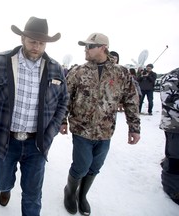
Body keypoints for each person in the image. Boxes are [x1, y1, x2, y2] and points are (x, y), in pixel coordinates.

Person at [0, 16, 69, 216]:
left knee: (33, 195)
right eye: (33, 41)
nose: (37, 47)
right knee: (2, 181)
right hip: (3, 140)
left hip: (37, 144)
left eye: (41, 43)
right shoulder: (0, 61)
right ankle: (5, 189)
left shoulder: (56, 68)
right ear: (22, 38)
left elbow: (63, 101)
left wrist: (50, 132)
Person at [60, 33, 141, 215]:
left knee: (95, 167)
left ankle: (82, 195)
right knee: (81, 166)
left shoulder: (121, 73)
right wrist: (62, 120)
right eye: (85, 46)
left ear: (103, 47)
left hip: (105, 132)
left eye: (90, 46)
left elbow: (131, 100)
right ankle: (70, 192)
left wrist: (134, 127)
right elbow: (65, 97)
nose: (85, 50)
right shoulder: (78, 71)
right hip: (81, 129)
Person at [159, 68, 179, 205]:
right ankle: (171, 188)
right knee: (174, 159)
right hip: (174, 126)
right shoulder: (172, 77)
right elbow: (168, 98)